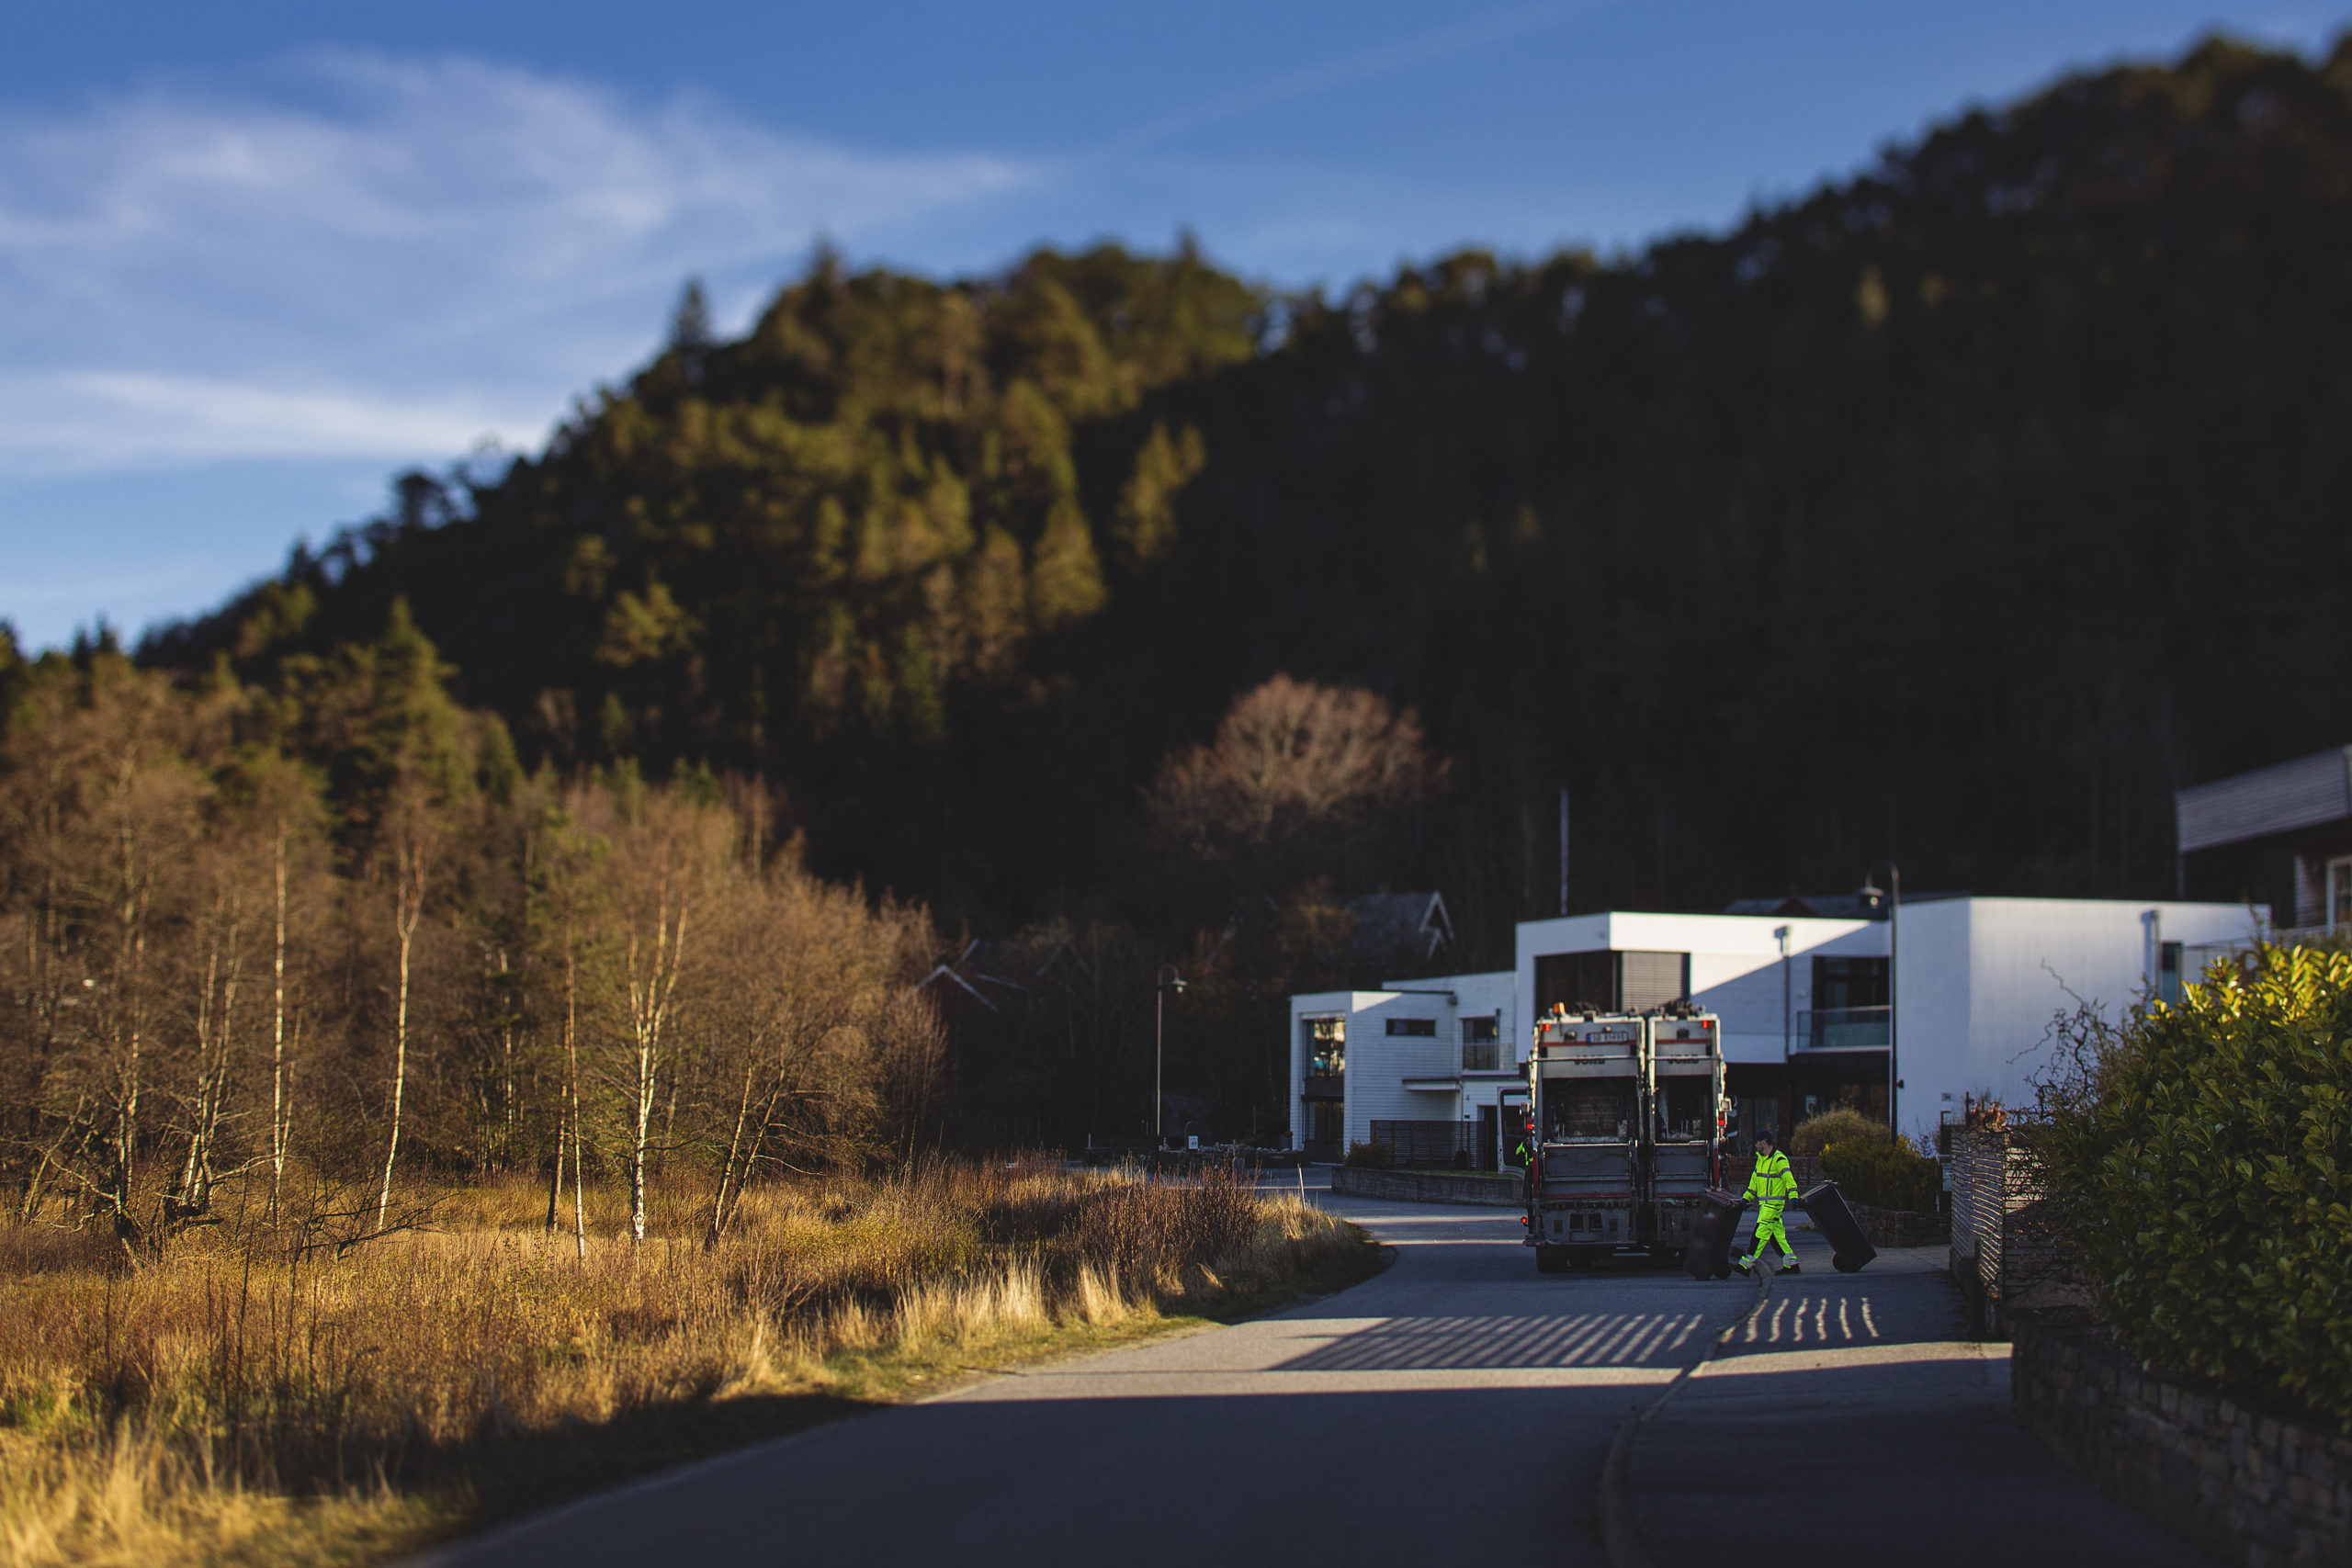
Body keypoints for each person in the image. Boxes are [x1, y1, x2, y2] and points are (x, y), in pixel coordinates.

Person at [1736, 1127, 1800, 1276]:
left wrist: (1794, 1197)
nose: (1755, 1146)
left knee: (1759, 1236)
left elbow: (1789, 1181)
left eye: (1757, 1143)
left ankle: (1746, 1266)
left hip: (1773, 1207)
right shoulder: (1761, 1160)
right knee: (1776, 1238)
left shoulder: (1779, 1160)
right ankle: (1791, 1264)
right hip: (1765, 1207)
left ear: (1764, 1142)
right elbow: (1754, 1183)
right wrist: (1746, 1199)